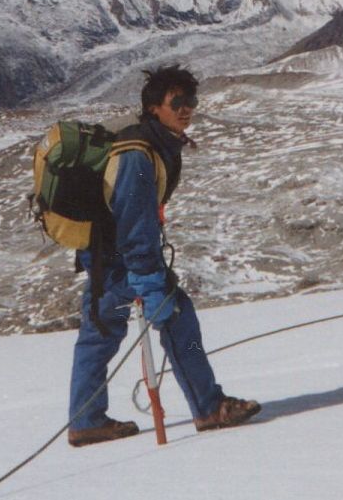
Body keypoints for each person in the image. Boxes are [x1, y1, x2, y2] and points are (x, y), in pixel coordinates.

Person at [66, 64, 261, 447]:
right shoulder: (140, 154)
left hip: (103, 258)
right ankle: (209, 408)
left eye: (191, 101)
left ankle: (86, 420)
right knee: (177, 318)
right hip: (119, 262)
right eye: (178, 102)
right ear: (154, 107)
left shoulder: (153, 144)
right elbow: (136, 226)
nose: (187, 109)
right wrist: (149, 281)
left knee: (100, 334)